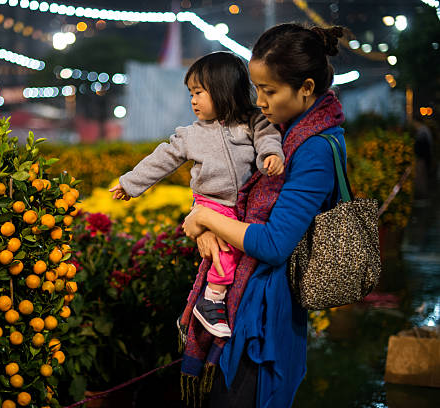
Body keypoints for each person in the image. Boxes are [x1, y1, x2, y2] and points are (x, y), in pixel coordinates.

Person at [180, 24, 347, 408]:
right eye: (257, 89)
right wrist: (203, 220)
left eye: (270, 90)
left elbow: (273, 243)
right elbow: (226, 192)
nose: (261, 101)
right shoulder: (281, 135)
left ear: (306, 87)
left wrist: (205, 216)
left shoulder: (314, 150)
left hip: (267, 315)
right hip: (246, 300)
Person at [109, 52, 285, 338]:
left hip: (243, 205)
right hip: (211, 203)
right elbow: (161, 159)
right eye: (191, 93)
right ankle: (211, 300)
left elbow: (268, 138)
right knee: (226, 254)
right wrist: (129, 184)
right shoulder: (191, 135)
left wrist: (271, 155)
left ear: (224, 89)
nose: (193, 100)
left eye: (199, 93)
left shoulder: (252, 122)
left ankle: (219, 301)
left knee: (242, 255)